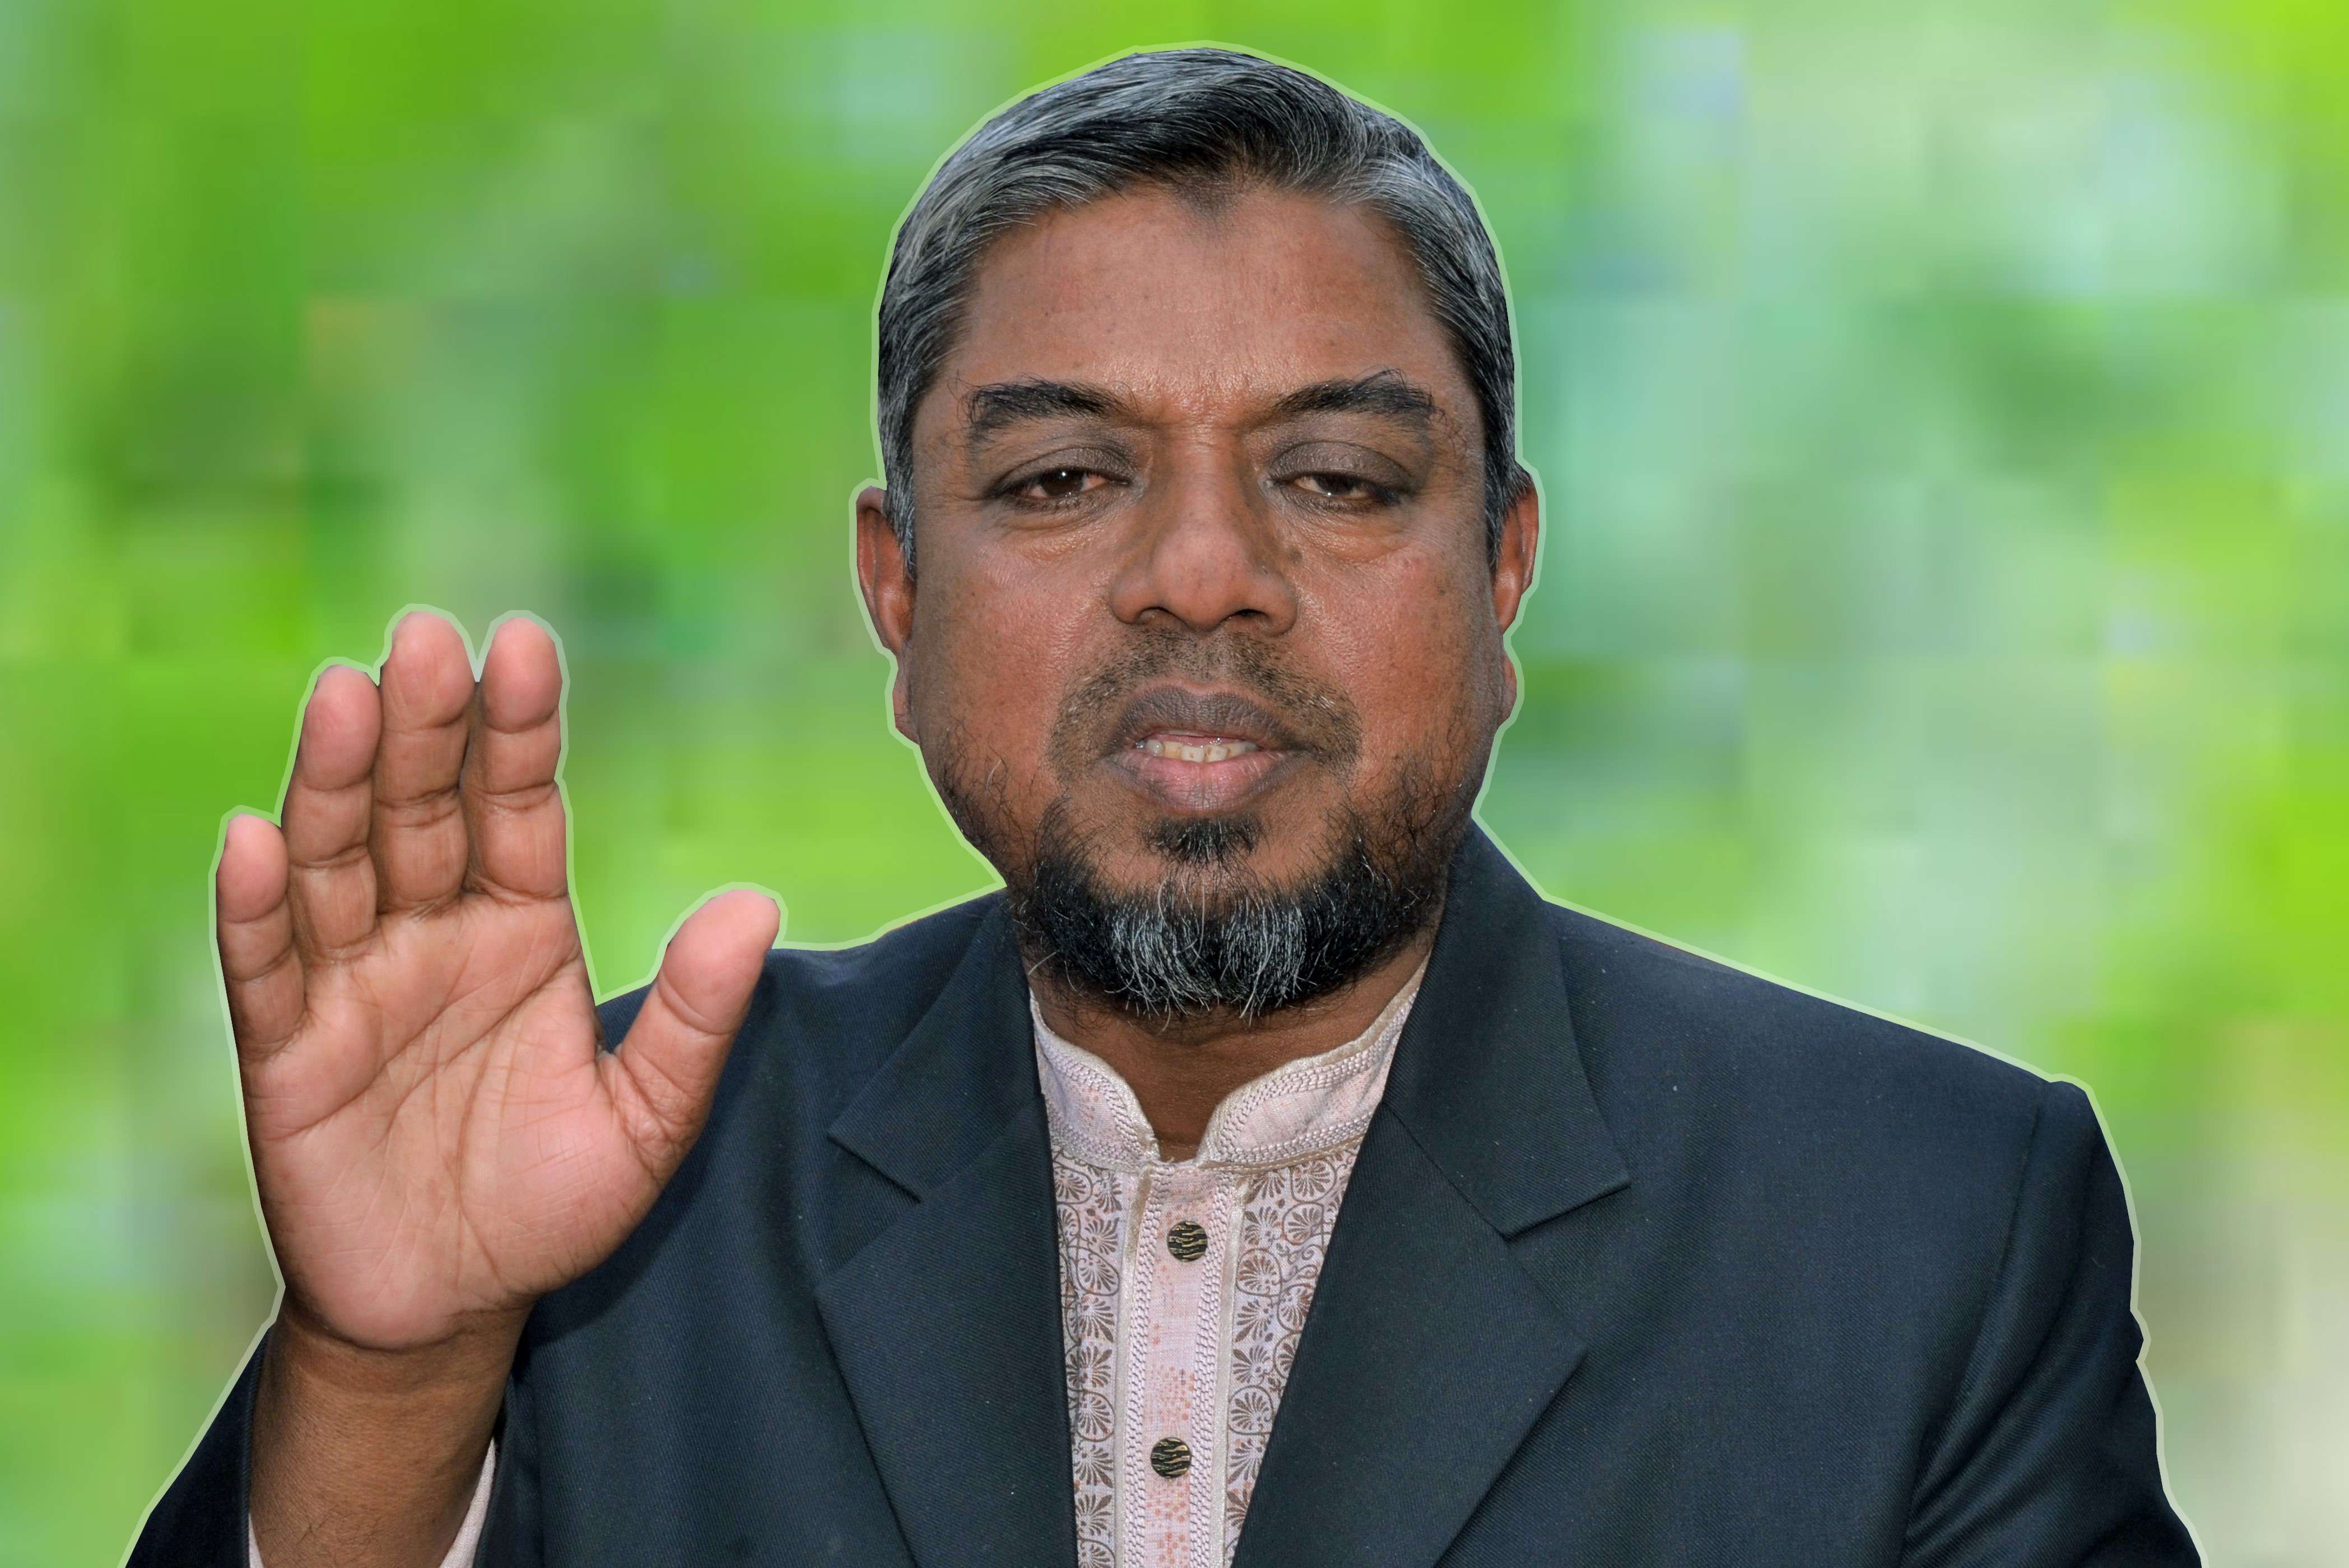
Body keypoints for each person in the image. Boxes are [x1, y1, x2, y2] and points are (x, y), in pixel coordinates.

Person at [133, 48, 2196, 1568]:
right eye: (1060, 480)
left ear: (1500, 569)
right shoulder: (595, 1204)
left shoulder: (1924, 1228)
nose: (1202, 574)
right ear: (895, 592)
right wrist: (395, 1372)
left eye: (1337, 480)